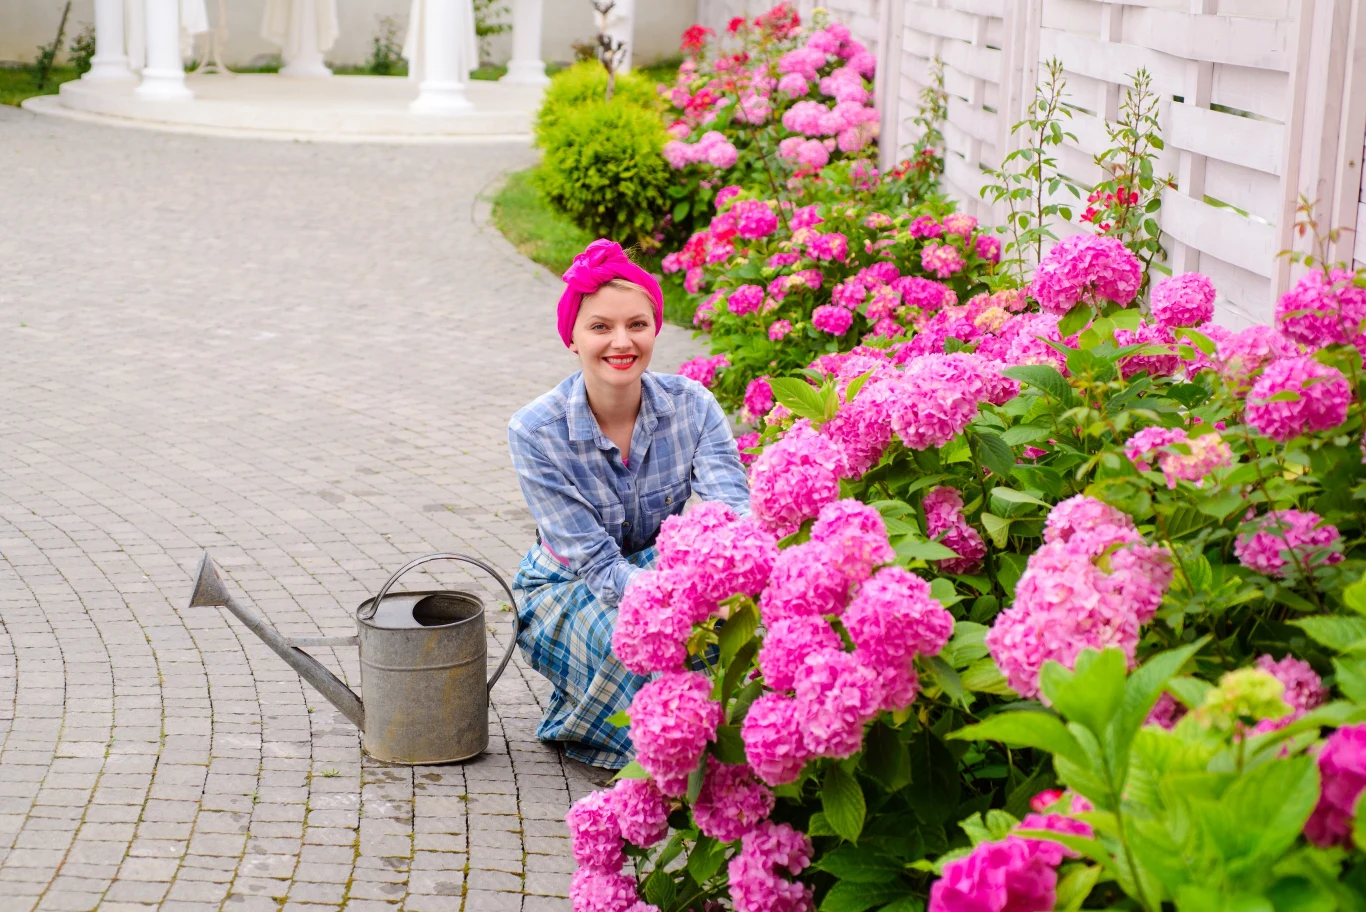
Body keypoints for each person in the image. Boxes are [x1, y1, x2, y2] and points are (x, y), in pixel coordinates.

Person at [508, 239, 751, 769]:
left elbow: (733, 510)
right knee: (641, 648)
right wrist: (680, 602)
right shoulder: (535, 430)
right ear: (572, 338)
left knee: (734, 639)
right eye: (600, 327)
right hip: (566, 586)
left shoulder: (693, 405)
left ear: (655, 328)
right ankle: (614, 729)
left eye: (637, 325)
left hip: (661, 570)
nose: (622, 341)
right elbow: (594, 563)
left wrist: (730, 584)